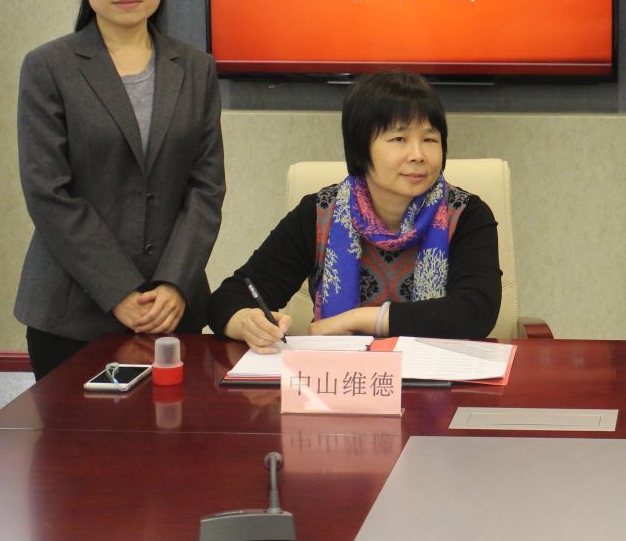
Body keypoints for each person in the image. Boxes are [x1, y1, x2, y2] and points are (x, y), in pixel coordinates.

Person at [14, 0, 225, 380]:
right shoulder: (48, 68)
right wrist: (119, 290)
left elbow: (206, 188)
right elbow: (48, 193)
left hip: (175, 311)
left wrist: (173, 283)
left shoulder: (196, 68)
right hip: (72, 314)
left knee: (176, 429)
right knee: (75, 434)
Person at [209, 70, 501, 350]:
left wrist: (357, 319)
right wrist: (248, 323)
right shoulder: (320, 213)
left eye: (430, 139)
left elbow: (475, 312)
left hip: (435, 378)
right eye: (399, 139)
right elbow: (231, 297)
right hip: (340, 379)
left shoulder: (466, 214)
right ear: (360, 149)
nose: (418, 155)